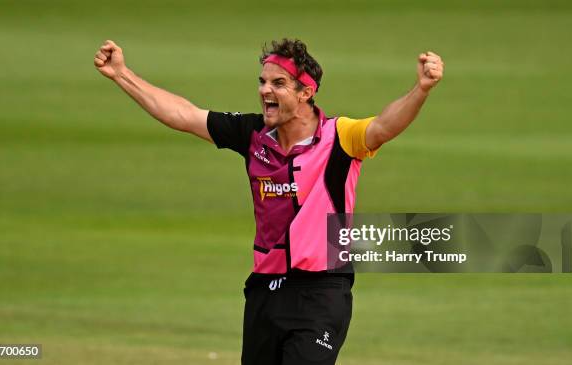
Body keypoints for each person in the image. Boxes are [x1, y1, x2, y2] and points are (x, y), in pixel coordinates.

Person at [94, 38, 444, 365]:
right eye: (262, 82)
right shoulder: (252, 135)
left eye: (278, 84)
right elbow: (184, 115)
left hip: (322, 291)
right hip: (265, 292)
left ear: (306, 92)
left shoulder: (340, 137)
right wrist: (122, 75)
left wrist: (421, 89)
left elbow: (384, 126)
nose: (265, 91)